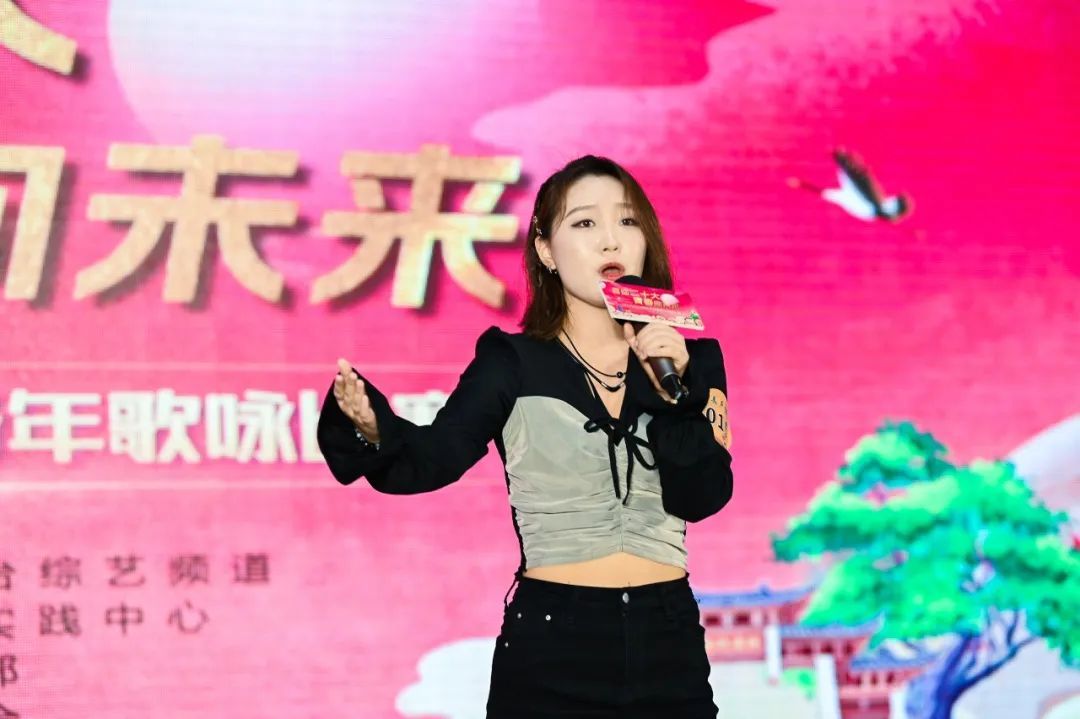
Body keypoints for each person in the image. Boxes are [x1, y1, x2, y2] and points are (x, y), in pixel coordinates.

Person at [317, 155, 734, 718]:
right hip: (553, 642)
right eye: (584, 223)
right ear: (546, 250)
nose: (610, 239)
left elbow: (702, 497)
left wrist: (676, 394)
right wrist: (372, 427)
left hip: (669, 641)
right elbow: (433, 459)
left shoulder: (691, 359)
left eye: (627, 221)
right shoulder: (511, 361)